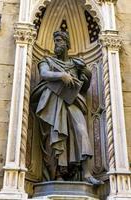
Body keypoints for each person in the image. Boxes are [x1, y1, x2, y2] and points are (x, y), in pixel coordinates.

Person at [31, 31, 103, 185]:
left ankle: (87, 173)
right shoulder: (46, 60)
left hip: (73, 102)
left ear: (67, 43)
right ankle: (57, 175)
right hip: (52, 103)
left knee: (81, 131)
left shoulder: (75, 63)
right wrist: (61, 75)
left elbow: (84, 87)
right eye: (55, 40)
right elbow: (44, 74)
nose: (56, 43)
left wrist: (86, 72)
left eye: (59, 41)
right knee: (55, 137)